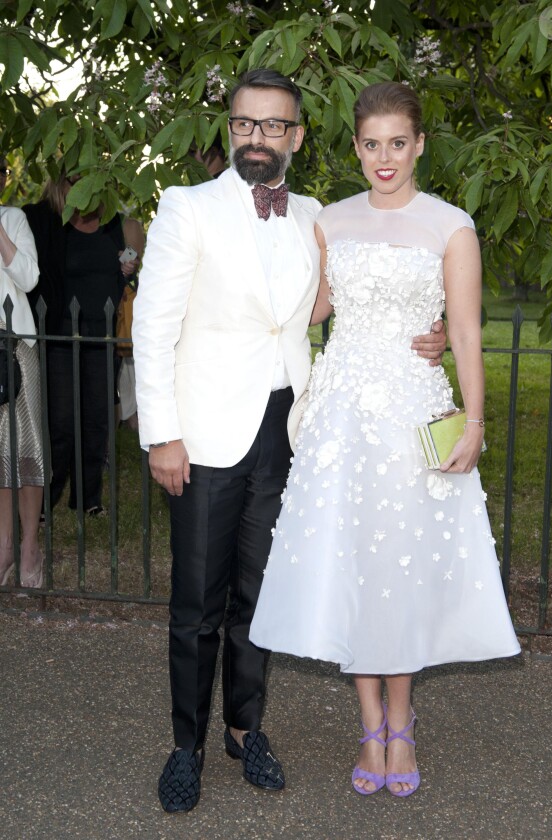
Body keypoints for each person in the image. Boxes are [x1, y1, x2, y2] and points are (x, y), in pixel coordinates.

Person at [132, 69, 446, 814]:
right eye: (245, 125)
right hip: (204, 433)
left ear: (297, 136)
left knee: (258, 598)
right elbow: (152, 326)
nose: (258, 139)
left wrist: (428, 338)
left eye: (274, 126)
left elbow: (348, 300)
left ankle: (247, 729)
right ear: (229, 130)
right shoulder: (186, 208)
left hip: (290, 428)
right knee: (196, 604)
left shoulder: (315, 216)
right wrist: (162, 434)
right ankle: (187, 747)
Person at [250, 82, 520, 799]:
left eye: (398, 142)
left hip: (415, 415)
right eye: (371, 144)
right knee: (353, 564)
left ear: (420, 144)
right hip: (339, 422)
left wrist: (478, 421)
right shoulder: (329, 224)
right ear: (356, 148)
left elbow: (463, 331)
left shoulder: (449, 225)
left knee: (400, 568)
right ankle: (369, 723)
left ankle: (401, 722)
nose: (385, 158)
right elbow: (305, 313)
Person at [23, 176, 144, 516]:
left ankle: (88, 499)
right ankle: (46, 498)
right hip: (61, 337)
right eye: (75, 181)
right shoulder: (53, 227)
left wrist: (127, 266)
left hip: (102, 337)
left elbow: (126, 270)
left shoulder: (113, 225)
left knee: (97, 422)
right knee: (60, 423)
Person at [0, 167, 44, 588]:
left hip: (14, 349)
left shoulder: (13, 218)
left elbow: (29, 278)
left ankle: (31, 542)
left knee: (26, 449)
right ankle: (5, 545)